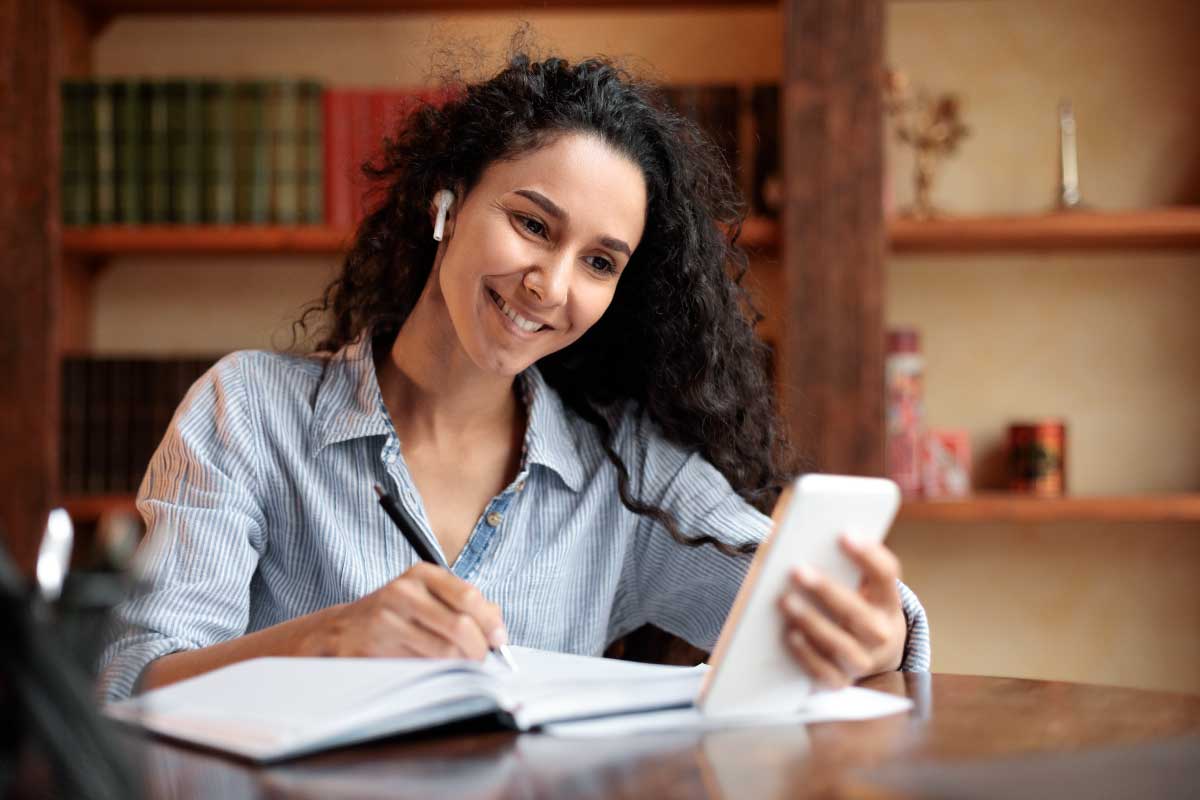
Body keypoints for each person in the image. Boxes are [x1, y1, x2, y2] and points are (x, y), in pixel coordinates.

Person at [97, 51, 929, 703]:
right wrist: (325, 640)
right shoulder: (247, 411)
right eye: (532, 223)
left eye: (599, 261)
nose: (551, 286)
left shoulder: (625, 470)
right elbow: (128, 687)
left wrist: (873, 631)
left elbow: (802, 614)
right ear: (447, 204)